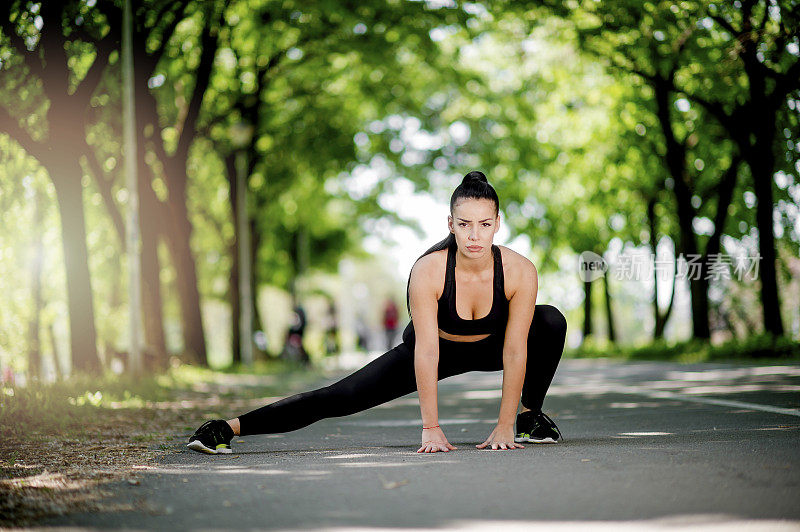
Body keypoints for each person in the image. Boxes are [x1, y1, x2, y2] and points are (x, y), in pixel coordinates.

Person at [188, 171, 567, 455]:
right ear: (450, 223)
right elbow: (428, 352)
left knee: (549, 320)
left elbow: (516, 348)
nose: (474, 235)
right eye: (464, 224)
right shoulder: (429, 270)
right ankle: (228, 428)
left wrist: (504, 426)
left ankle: (528, 417)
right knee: (341, 396)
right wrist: (430, 427)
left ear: (497, 224)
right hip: (435, 349)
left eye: (484, 225)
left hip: (492, 347)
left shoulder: (519, 270)